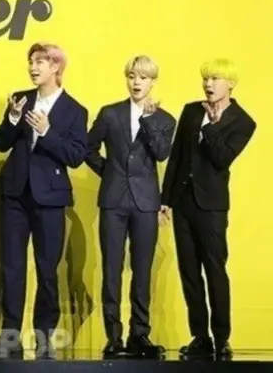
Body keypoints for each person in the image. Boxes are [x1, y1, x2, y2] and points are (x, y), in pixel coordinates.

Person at [0, 42, 88, 358]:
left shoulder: (75, 110)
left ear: (56, 67)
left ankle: (44, 336)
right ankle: (10, 335)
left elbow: (76, 155)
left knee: (47, 269)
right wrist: (13, 117)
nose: (33, 67)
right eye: (31, 61)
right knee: (12, 267)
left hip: (50, 198)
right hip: (14, 195)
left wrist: (47, 132)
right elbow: (1, 142)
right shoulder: (21, 99)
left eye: (40, 62)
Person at [161, 58, 256, 359]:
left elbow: (221, 159)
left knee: (215, 269)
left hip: (212, 206)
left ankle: (222, 337)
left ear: (230, 83)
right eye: (205, 78)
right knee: (189, 271)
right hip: (183, 202)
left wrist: (213, 127)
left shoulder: (243, 122)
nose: (208, 84)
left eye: (214, 78)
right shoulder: (191, 111)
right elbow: (177, 156)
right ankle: (199, 336)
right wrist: (166, 198)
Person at [85, 55, 175, 357]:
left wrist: (148, 121)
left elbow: (161, 153)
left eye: (143, 77)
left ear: (153, 82)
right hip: (114, 200)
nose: (136, 82)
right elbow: (88, 148)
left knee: (142, 270)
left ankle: (140, 334)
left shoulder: (165, 119)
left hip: (146, 202)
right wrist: (109, 172)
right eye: (132, 76)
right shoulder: (110, 113)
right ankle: (113, 336)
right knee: (111, 268)